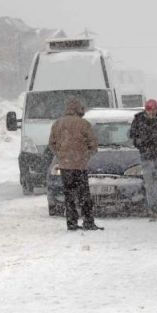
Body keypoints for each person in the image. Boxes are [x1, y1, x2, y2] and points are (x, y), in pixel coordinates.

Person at [48, 99, 102, 231]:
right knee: (84, 195)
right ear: (79, 110)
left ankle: (71, 222)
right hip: (80, 166)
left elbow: (51, 144)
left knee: (69, 196)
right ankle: (88, 221)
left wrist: (61, 155)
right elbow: (93, 144)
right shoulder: (84, 124)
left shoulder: (57, 124)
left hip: (65, 166)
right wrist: (86, 155)